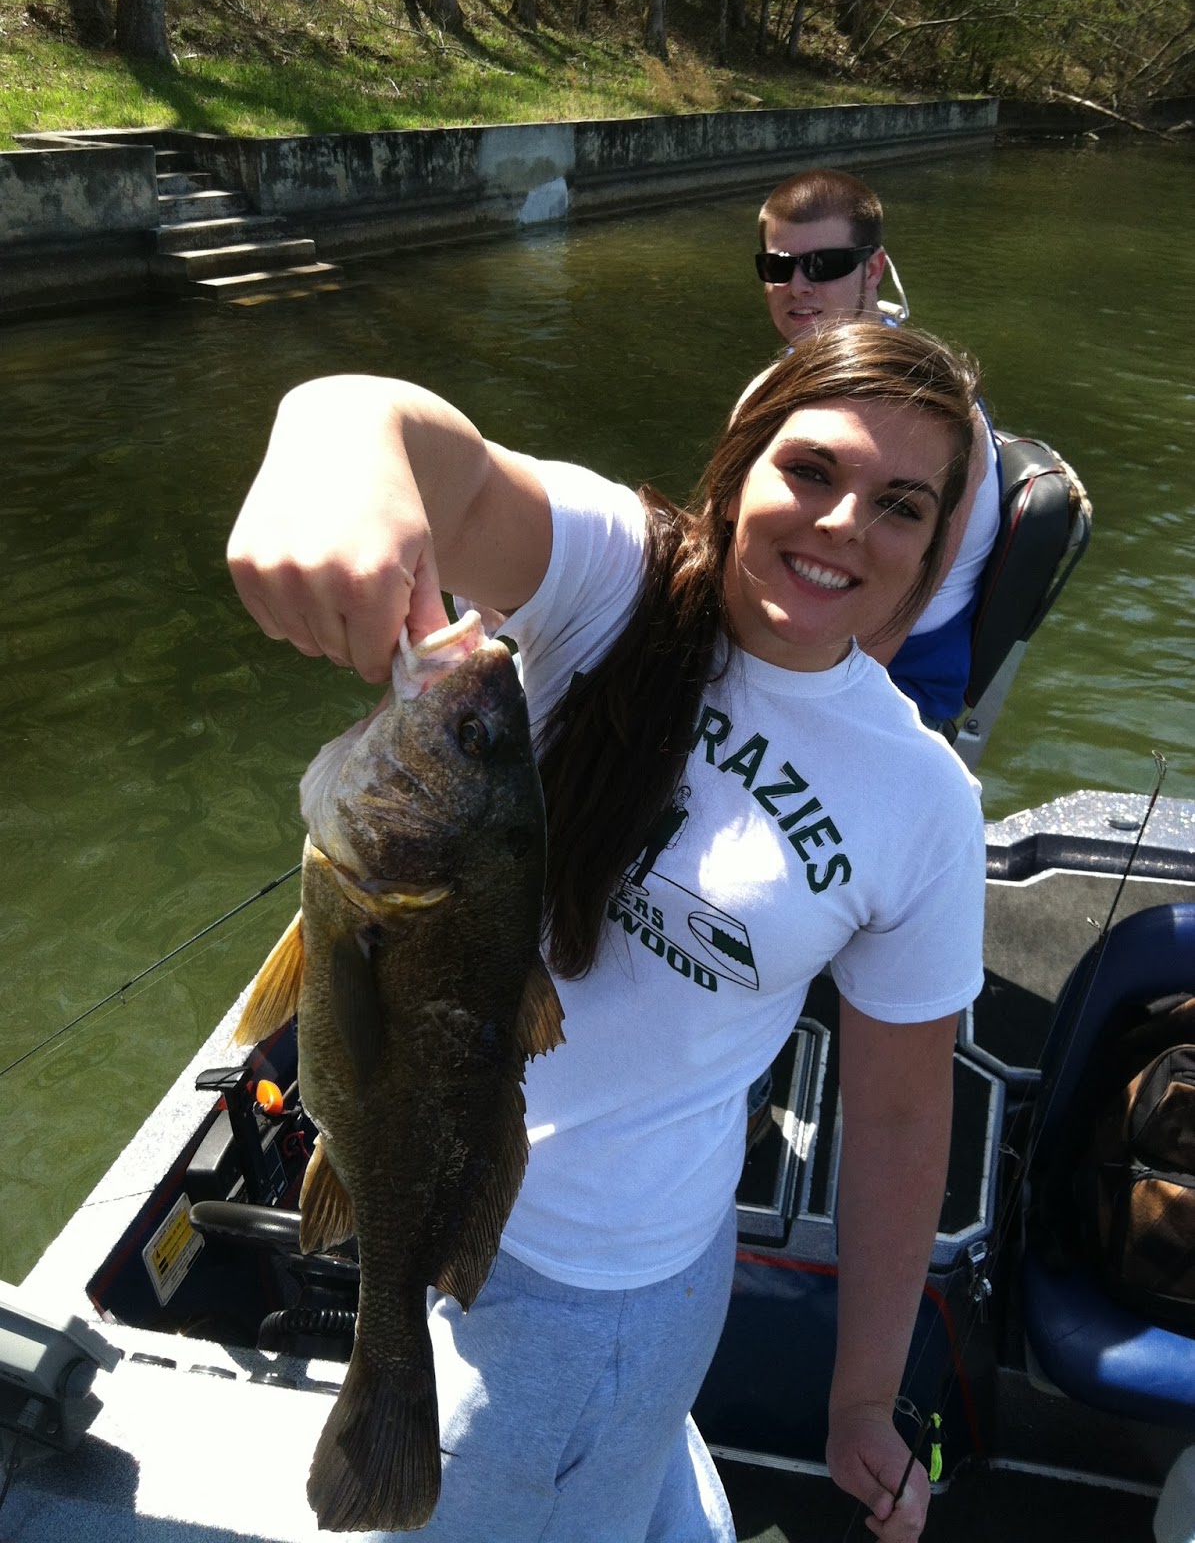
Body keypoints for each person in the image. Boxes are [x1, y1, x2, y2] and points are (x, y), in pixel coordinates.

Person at [226, 320, 987, 1543]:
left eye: (900, 506)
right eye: (812, 470)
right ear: (739, 464)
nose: (844, 523)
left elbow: (901, 1117)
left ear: (936, 552)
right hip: (444, 1180)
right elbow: (426, 449)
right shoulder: (614, 578)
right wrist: (340, 448)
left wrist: (861, 1397)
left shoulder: (924, 803)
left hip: (618, 1285)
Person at [752, 167, 1001, 725]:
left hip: (888, 682)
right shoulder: (784, 380)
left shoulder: (936, 412)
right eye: (779, 266)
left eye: (825, 265)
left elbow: (885, 630)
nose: (799, 286)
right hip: (797, 632)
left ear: (874, 268)